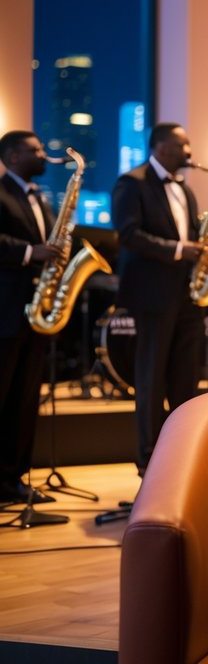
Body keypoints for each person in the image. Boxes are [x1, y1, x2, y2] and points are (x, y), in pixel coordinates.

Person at [112, 122, 205, 474]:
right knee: (150, 381)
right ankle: (149, 465)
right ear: (161, 148)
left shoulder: (186, 190)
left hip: (188, 296)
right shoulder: (131, 183)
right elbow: (128, 235)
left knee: (186, 379)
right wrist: (180, 250)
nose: (190, 153)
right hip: (151, 296)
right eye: (184, 146)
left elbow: (191, 234)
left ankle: (180, 460)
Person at [0, 132, 65, 504]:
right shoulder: (2, 193)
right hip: (6, 311)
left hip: (36, 312)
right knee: (4, 396)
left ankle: (15, 478)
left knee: (26, 399)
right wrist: (30, 252)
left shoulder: (39, 196)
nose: (43, 155)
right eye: (35, 150)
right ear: (11, 156)